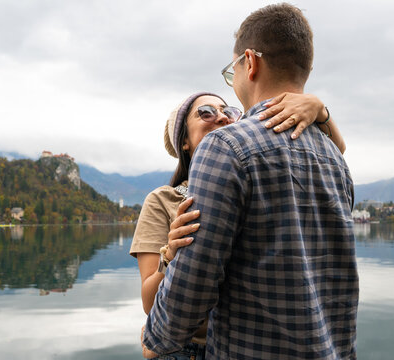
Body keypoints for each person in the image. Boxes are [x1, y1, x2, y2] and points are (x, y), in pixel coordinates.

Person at [142, 3, 359, 360]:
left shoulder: (226, 148)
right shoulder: (336, 160)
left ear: (250, 62)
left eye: (233, 71)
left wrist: (157, 339)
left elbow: (193, 284)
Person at [133, 91, 346, 358]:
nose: (221, 116)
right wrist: (170, 253)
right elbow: (148, 303)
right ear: (184, 141)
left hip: (248, 345)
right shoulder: (162, 200)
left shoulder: (252, 182)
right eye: (206, 112)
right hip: (189, 348)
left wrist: (319, 110)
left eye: (229, 111)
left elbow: (335, 156)